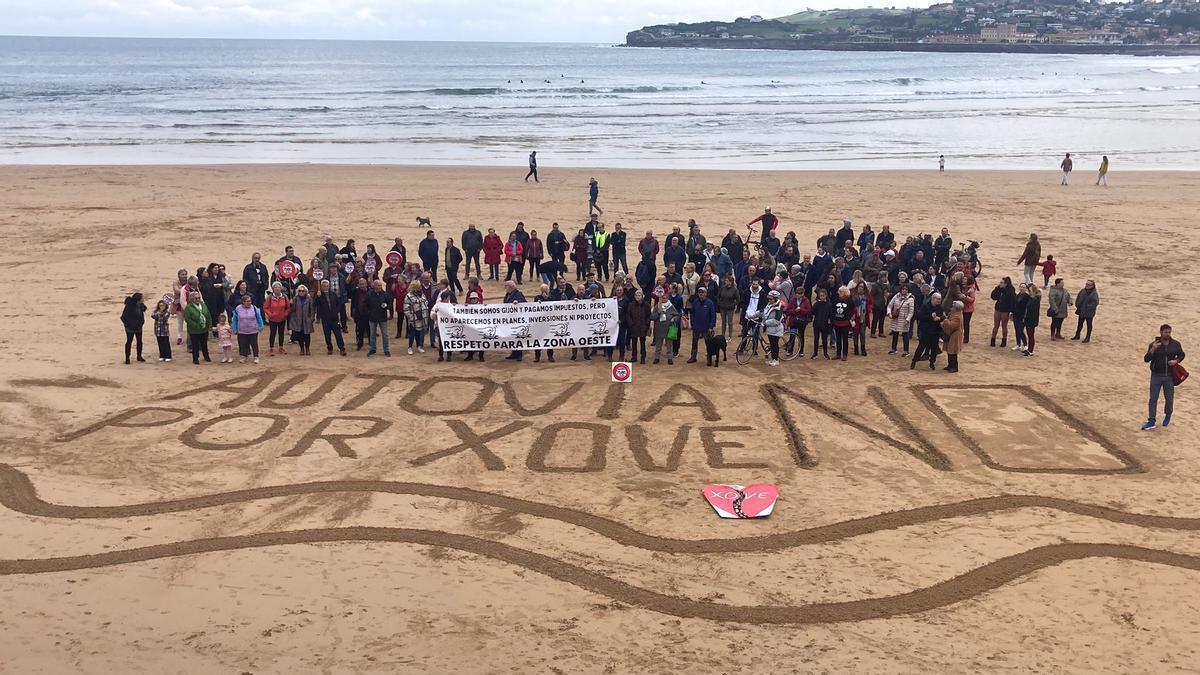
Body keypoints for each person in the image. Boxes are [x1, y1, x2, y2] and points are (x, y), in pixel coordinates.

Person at [1143, 324, 1185, 431]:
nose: (1168, 334)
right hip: (1156, 375)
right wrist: (1152, 349)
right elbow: (1146, 359)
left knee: (1169, 398)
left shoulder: (1175, 344)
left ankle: (1168, 414)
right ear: (1161, 332)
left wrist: (1176, 361)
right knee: (1153, 399)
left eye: (1169, 332)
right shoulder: (1154, 344)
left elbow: (1182, 355)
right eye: (1166, 332)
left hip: (1169, 376)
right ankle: (1151, 420)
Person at [911, 292, 945, 370]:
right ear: (933, 298)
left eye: (940, 299)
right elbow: (920, 317)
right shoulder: (925, 306)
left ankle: (932, 363)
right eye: (938, 299)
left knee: (934, 348)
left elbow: (943, 316)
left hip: (935, 331)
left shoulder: (939, 307)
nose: (939, 301)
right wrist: (930, 317)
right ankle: (914, 361)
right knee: (921, 347)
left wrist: (939, 318)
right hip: (926, 330)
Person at [314, 280, 346, 356]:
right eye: (324, 286)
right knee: (327, 335)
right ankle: (329, 348)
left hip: (334, 318)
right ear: (321, 287)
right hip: (325, 319)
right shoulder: (319, 295)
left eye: (327, 286)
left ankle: (342, 348)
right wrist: (317, 297)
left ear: (329, 286)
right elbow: (316, 306)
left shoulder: (333, 294)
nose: (325, 288)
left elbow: (339, 304)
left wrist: (336, 311)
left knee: (338, 334)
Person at [230, 294, 263, 363]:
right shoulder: (238, 308)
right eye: (247, 301)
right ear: (243, 302)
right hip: (242, 330)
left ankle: (256, 356)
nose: (249, 303)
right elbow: (235, 319)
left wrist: (260, 326)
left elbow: (259, 317)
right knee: (243, 344)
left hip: (253, 330)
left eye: (250, 301)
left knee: (254, 344)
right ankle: (243, 356)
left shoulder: (254, 308)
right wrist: (234, 328)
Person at [687, 286, 716, 364]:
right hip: (696, 326)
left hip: (706, 327)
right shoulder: (695, 302)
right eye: (699, 292)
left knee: (708, 343)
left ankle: (709, 359)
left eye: (702, 293)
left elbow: (713, 315)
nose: (701, 294)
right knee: (694, 342)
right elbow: (692, 313)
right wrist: (692, 324)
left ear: (706, 294)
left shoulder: (710, 303)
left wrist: (711, 326)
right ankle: (693, 357)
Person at [183, 291, 212, 364]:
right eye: (196, 298)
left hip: (204, 328)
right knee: (195, 345)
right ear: (192, 299)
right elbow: (187, 319)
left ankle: (206, 356)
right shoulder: (188, 307)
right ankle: (195, 358)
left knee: (204, 344)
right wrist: (196, 325)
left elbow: (208, 315)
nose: (198, 299)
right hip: (194, 330)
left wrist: (209, 324)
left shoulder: (203, 305)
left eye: (199, 298)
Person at [365, 279, 391, 357]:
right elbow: (366, 305)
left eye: (380, 285)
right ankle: (373, 349)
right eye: (378, 285)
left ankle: (386, 350)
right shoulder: (369, 294)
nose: (379, 287)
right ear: (374, 286)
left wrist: (386, 306)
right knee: (372, 334)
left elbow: (390, 304)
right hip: (372, 318)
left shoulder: (385, 294)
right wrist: (369, 313)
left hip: (383, 317)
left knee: (385, 334)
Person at [887, 283, 915, 356]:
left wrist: (907, 320)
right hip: (896, 318)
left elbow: (911, 311)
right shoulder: (896, 296)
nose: (904, 291)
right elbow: (889, 305)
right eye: (903, 289)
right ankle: (893, 349)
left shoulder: (911, 299)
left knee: (905, 334)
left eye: (906, 289)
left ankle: (906, 351)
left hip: (904, 319)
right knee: (895, 333)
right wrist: (889, 313)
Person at [263, 282, 290, 356]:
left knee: (281, 333)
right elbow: (265, 307)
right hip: (273, 319)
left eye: (278, 287)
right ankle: (271, 348)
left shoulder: (284, 297)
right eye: (275, 287)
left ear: (281, 288)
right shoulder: (270, 297)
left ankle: (281, 347)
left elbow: (288, 308)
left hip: (282, 319)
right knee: (273, 333)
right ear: (273, 289)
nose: (277, 288)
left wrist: (285, 314)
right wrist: (270, 314)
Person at [287, 285, 315, 356]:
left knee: (307, 335)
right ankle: (302, 349)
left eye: (303, 291)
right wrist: (290, 304)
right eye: (299, 291)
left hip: (307, 320)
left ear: (306, 291)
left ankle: (307, 348)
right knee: (300, 336)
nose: (301, 292)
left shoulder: (309, 299)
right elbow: (292, 310)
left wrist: (311, 318)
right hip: (298, 320)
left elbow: (312, 310)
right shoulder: (295, 299)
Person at [503, 281, 527, 361]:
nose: (505, 288)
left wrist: (518, 303)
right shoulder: (507, 295)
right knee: (512, 336)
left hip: (517, 320)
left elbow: (525, 304)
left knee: (518, 336)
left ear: (510, 287)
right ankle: (514, 353)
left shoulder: (518, 294)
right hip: (510, 319)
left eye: (506, 286)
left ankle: (519, 354)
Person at [651, 295, 679, 365]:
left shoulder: (670, 306)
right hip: (659, 328)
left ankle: (670, 358)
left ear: (667, 298)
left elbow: (677, 315)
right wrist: (658, 313)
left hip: (669, 327)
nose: (663, 299)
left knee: (669, 344)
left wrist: (673, 319)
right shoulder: (657, 306)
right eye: (662, 298)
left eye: (665, 298)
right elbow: (652, 317)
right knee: (658, 344)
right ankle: (657, 358)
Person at [626, 289, 651, 365]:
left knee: (642, 343)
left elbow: (648, 316)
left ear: (642, 296)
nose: (637, 296)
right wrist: (631, 324)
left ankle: (643, 357)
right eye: (636, 295)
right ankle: (634, 357)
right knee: (633, 342)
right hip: (634, 327)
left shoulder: (647, 305)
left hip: (643, 327)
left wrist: (646, 325)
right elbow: (628, 315)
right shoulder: (631, 305)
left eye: (639, 295)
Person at [120, 292, 147, 364]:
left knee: (139, 341)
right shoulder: (129, 306)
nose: (143, 299)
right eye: (142, 298)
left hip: (138, 326)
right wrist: (128, 325)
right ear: (139, 299)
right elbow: (123, 317)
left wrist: (141, 323)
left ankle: (139, 356)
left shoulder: (140, 305)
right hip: (130, 327)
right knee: (129, 342)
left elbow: (144, 310)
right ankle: (127, 358)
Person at [403, 281, 428, 355]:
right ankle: (410, 347)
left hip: (422, 317)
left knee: (420, 333)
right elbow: (406, 308)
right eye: (419, 286)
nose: (420, 287)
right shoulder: (409, 296)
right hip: (414, 318)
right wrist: (411, 317)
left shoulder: (422, 294)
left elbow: (425, 303)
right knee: (412, 333)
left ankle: (419, 346)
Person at [990, 277, 1015, 347]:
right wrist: (996, 288)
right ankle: (993, 339)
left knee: (1004, 326)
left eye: (1001, 283)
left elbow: (1012, 302)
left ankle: (1004, 340)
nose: (1000, 284)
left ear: (1006, 284)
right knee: (996, 326)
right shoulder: (999, 289)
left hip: (1005, 311)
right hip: (998, 310)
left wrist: (1010, 311)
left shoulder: (1011, 291)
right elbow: (993, 297)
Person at [762, 290, 785, 366]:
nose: (769, 300)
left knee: (774, 345)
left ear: (775, 299)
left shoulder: (779, 307)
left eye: (771, 299)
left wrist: (766, 323)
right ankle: (772, 359)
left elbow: (777, 320)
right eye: (768, 298)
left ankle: (776, 360)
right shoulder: (769, 305)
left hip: (776, 330)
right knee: (772, 345)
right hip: (770, 329)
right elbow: (764, 313)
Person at [831, 286, 854, 361]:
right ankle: (838, 354)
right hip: (837, 323)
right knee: (838, 339)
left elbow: (853, 311)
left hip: (845, 323)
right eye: (839, 292)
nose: (839, 293)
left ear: (845, 293)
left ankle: (845, 354)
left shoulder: (850, 301)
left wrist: (850, 319)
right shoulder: (835, 300)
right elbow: (833, 310)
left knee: (845, 339)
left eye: (841, 292)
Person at [810, 288, 832, 360]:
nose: (821, 297)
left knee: (824, 340)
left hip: (825, 324)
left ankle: (825, 353)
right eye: (820, 295)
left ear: (826, 295)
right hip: (817, 323)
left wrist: (829, 323)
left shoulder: (829, 305)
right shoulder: (817, 304)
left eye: (823, 295)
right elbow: (812, 312)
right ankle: (815, 353)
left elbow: (830, 315)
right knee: (816, 339)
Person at [942, 300, 964, 373]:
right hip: (951, 335)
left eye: (953, 306)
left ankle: (954, 367)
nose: (951, 307)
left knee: (953, 352)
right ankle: (950, 365)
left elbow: (951, 326)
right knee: (950, 351)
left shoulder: (957, 316)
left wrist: (945, 320)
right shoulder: (954, 313)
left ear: (956, 308)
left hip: (955, 336)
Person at [1022, 284, 1042, 357]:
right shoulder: (1032, 299)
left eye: (1029, 291)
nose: (1029, 292)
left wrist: (1029, 321)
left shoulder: (1035, 300)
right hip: (1029, 320)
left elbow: (1033, 313)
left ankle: (1030, 351)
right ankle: (1029, 349)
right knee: (1029, 335)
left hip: (1031, 321)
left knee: (1031, 336)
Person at [1011, 282, 1029, 353]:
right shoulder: (1017, 295)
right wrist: (1012, 313)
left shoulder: (1027, 297)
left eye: (1023, 287)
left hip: (1022, 316)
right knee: (1016, 330)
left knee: (1020, 330)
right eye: (1021, 287)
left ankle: (1025, 345)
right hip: (1016, 315)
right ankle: (1018, 344)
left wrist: (1025, 317)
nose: (1022, 288)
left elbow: (1027, 308)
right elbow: (1014, 305)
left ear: (1026, 289)